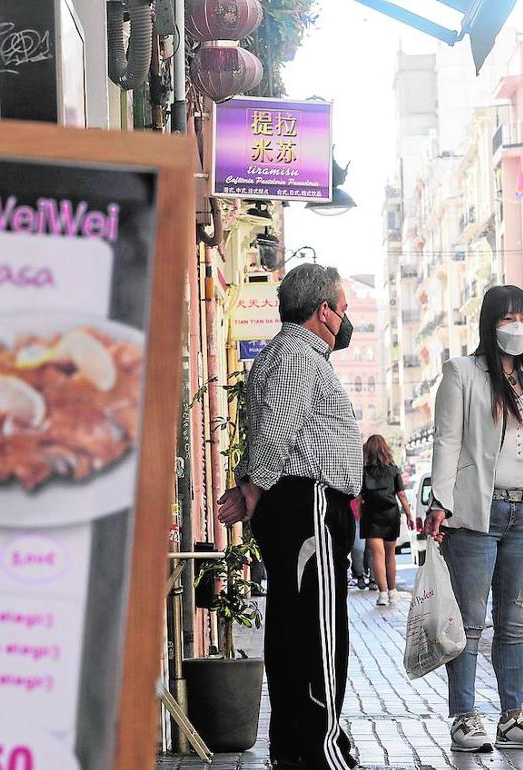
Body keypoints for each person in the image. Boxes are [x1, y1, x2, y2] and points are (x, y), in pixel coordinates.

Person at [421, 285, 523, 754]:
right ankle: (465, 718)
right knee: (470, 623)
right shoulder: (462, 373)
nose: (517, 328)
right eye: (507, 318)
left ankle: (513, 718)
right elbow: (446, 442)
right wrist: (439, 502)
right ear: (489, 325)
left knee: (514, 623)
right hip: (476, 513)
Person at [217, 263, 363, 770]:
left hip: (302, 507)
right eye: (343, 309)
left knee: (294, 630)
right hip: (310, 507)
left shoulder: (287, 356)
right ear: (323, 311)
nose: (346, 319)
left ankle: (296, 749)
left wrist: (249, 487)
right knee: (320, 633)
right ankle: (320, 749)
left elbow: (270, 426)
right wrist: (254, 488)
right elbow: (277, 429)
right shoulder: (298, 356)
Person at [360, 435, 412, 606]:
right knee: (390, 555)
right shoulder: (393, 470)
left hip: (371, 515)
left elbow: (358, 496)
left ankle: (382, 594)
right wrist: (410, 516)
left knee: (377, 555)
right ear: (385, 449)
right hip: (390, 515)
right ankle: (392, 591)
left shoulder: (363, 472)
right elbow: (402, 495)